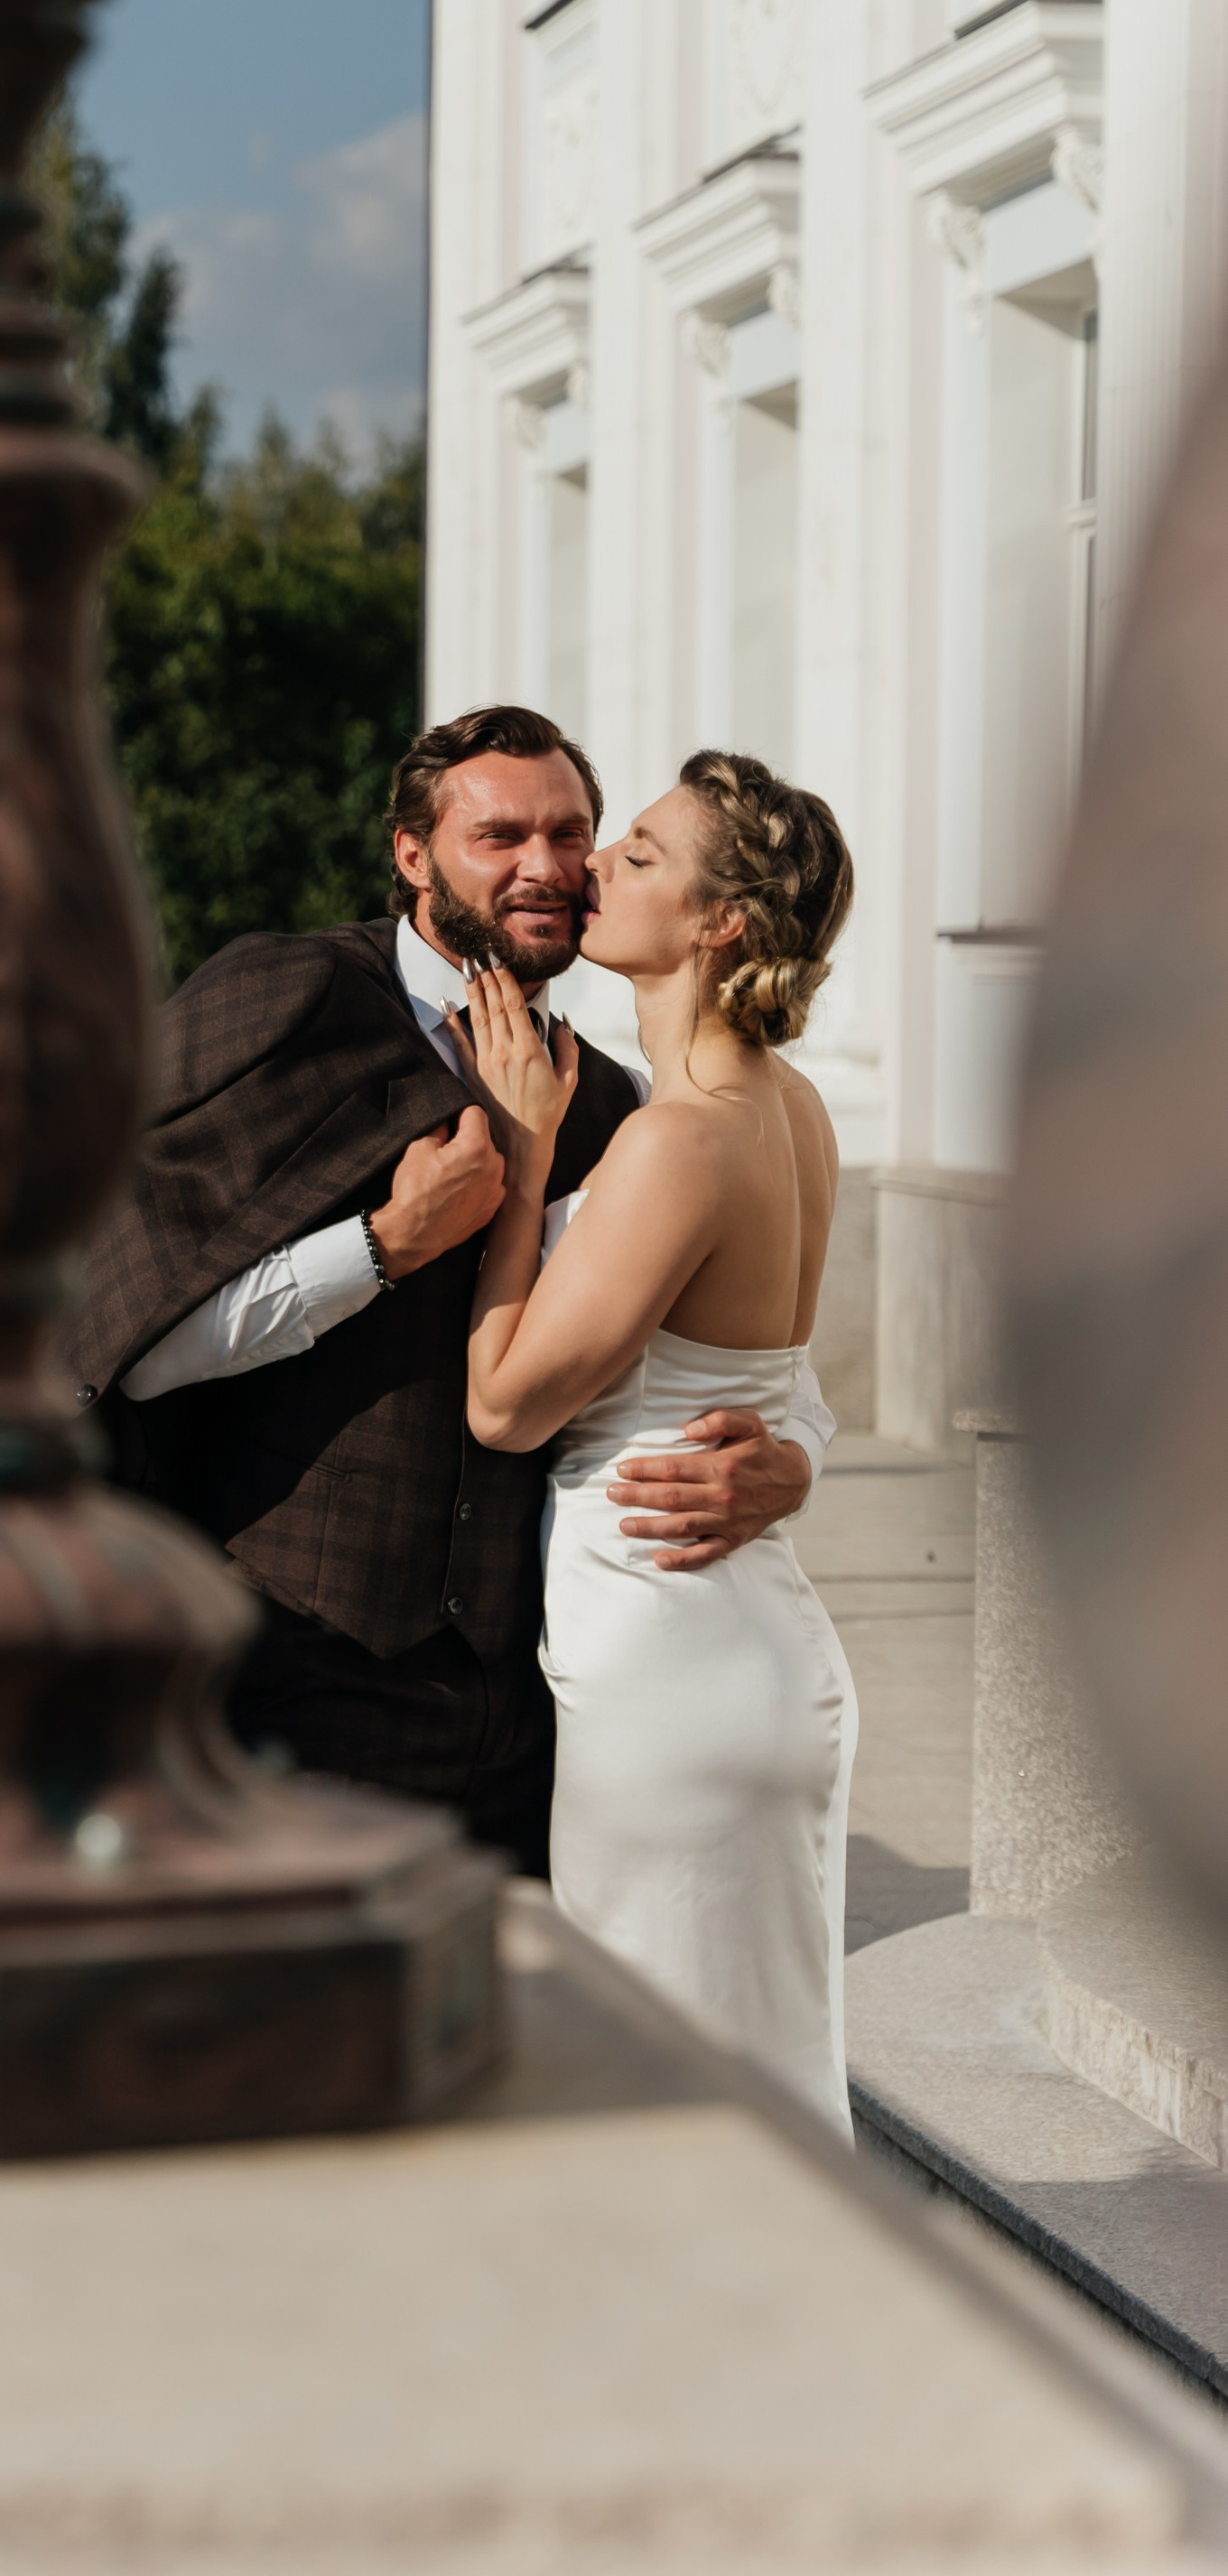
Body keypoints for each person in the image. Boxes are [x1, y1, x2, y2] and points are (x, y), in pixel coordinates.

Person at [69, 706, 834, 1882]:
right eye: (499, 836)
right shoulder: (296, 998)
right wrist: (382, 1245)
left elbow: (736, 1340)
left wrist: (793, 1459)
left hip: (530, 1712)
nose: (548, 867)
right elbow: (130, 1338)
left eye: (573, 834)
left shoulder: (616, 1103)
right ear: (413, 855)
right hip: (295, 1676)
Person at [461, 749, 858, 2125]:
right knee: (759, 2090)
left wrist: (524, 1161)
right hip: (743, 1636)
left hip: (666, 1647)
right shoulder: (793, 1108)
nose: (593, 869)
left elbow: (504, 1405)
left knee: (663, 2092)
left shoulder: (680, 1139)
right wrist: (794, 1463)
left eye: (637, 854)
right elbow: (780, 1382)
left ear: (719, 923)